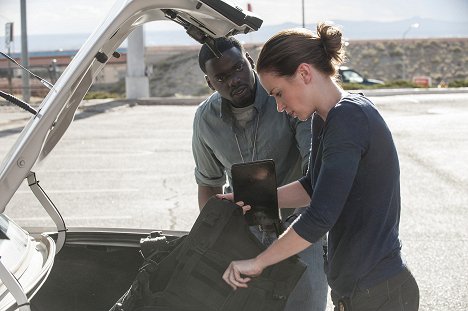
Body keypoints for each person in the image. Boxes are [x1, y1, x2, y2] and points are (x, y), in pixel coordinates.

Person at [220, 24, 420, 311]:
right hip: (356, 291)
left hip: (380, 292)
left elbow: (320, 216)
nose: (278, 106)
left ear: (303, 73)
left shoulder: (349, 117)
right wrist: (247, 197)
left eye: (278, 93)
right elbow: (312, 187)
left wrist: (259, 262)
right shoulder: (324, 119)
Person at [192, 37, 328, 311]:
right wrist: (214, 237)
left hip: (298, 229)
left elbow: (315, 170)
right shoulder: (205, 120)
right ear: (210, 83)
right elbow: (209, 184)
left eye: (238, 68)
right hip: (243, 236)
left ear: (250, 62)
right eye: (221, 77)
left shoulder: (286, 99)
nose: (234, 80)